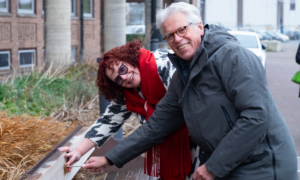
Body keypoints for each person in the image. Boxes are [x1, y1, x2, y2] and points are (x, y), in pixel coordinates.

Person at [81, 2, 299, 180]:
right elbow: (156, 126)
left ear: (200, 27)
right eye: (169, 35)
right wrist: (109, 159)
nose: (177, 39)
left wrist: (213, 167)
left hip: (262, 165)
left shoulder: (232, 57)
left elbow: (256, 117)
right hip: (228, 165)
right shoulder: (182, 77)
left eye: (182, 29)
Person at [59, 40, 205, 180]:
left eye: (122, 68)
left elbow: (186, 108)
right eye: (118, 79)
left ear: (130, 59)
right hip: (171, 149)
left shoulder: (164, 64)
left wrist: (155, 113)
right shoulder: (127, 92)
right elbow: (108, 120)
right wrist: (78, 151)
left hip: (201, 140)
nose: (124, 77)